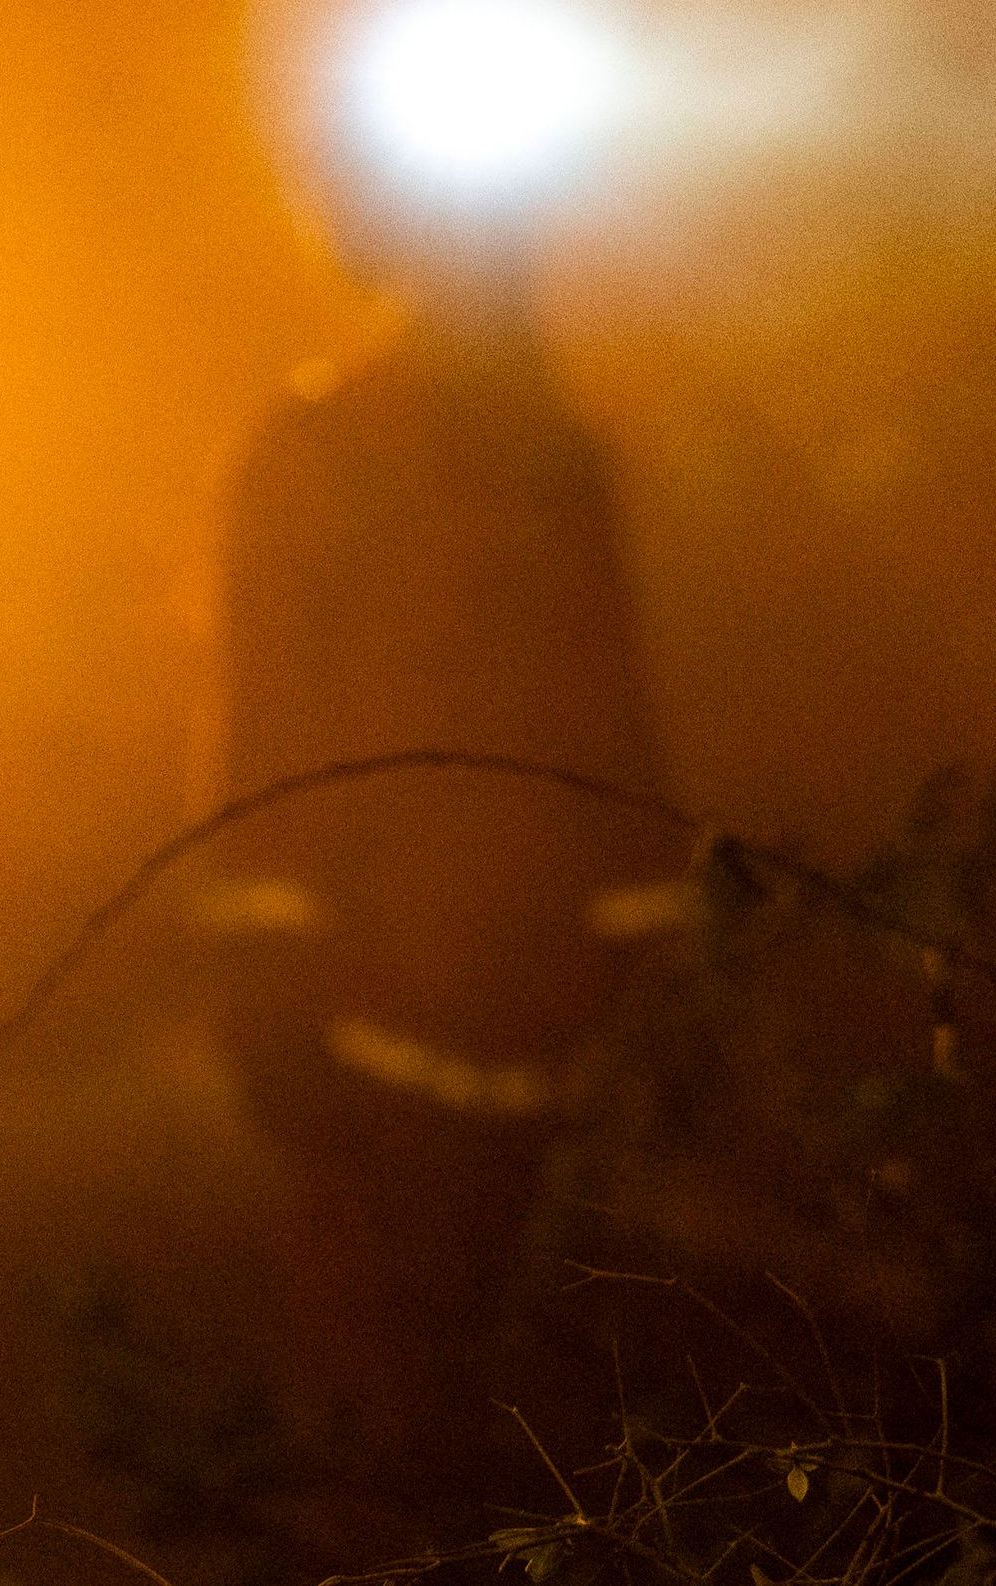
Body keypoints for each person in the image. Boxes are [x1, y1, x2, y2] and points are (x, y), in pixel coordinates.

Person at [197, 150, 679, 1462]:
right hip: (385, 1019)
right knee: (405, 1405)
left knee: (538, 1418)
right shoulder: (324, 452)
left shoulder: (561, 462)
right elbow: (272, 725)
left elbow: (611, 715)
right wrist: (268, 976)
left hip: (539, 1020)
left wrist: (649, 960)